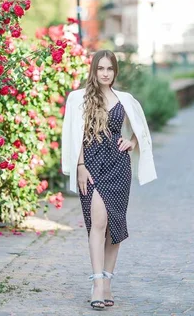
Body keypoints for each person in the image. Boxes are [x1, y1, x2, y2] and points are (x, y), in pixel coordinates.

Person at [61, 49, 157, 310]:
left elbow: (142, 128)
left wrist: (132, 141)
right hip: (90, 164)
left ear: (115, 72)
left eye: (110, 69)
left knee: (114, 224)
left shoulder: (125, 99)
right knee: (98, 222)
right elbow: (73, 134)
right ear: (94, 70)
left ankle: (108, 282)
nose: (105, 73)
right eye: (101, 68)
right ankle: (97, 282)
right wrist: (79, 164)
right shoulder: (78, 98)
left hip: (118, 165)